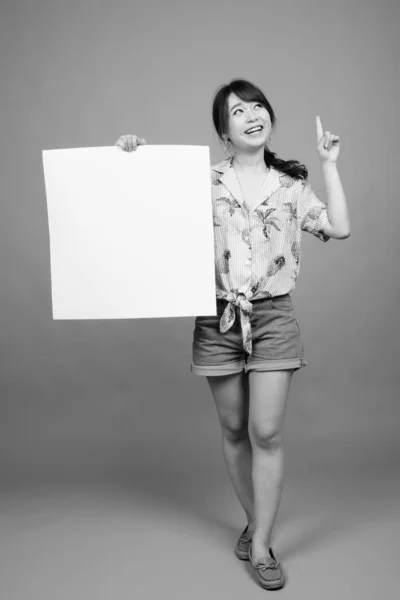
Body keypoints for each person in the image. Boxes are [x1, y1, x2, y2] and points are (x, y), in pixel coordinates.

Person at [114, 79, 350, 591]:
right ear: (224, 131)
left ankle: (260, 544)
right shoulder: (201, 183)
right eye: (237, 110)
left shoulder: (289, 184)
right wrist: (132, 158)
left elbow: (338, 227)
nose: (250, 114)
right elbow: (142, 210)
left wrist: (328, 165)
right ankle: (255, 523)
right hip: (216, 319)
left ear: (269, 119)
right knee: (234, 430)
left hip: (273, 319)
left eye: (258, 106)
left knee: (266, 432)